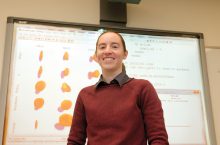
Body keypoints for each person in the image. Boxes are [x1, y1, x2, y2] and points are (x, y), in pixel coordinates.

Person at [67, 31, 169, 145]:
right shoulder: (85, 94)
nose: (107, 51)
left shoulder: (143, 88)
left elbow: (158, 139)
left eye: (114, 46)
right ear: (96, 56)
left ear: (125, 54)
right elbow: (75, 141)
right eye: (102, 47)